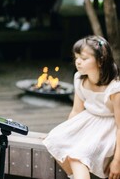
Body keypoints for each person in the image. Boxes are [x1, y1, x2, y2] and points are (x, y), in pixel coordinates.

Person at [43, 36, 120, 179]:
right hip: (88, 120)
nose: (78, 62)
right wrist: (67, 133)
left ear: (101, 60)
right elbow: (76, 110)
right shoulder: (79, 78)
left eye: (84, 58)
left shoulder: (115, 88)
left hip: (109, 128)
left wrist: (117, 161)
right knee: (54, 140)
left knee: (77, 155)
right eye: (76, 57)